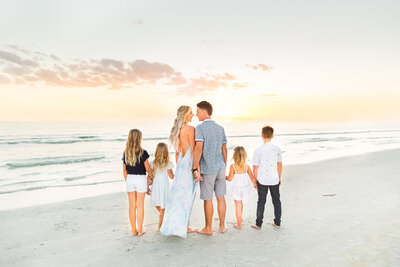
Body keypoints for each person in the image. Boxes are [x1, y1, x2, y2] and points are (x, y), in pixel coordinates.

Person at [160, 105, 198, 238]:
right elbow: (193, 150)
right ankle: (184, 226)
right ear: (185, 115)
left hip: (181, 164)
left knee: (178, 197)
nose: (193, 114)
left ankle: (177, 224)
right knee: (187, 197)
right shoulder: (190, 129)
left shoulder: (177, 130)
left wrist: (178, 168)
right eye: (191, 113)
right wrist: (196, 169)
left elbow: (177, 153)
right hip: (188, 164)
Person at [192, 101, 228, 235]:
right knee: (221, 197)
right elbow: (224, 149)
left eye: (197, 111)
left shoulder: (200, 128)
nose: (196, 114)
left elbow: (198, 149)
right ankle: (222, 226)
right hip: (221, 167)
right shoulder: (220, 128)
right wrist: (224, 164)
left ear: (203, 111)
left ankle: (208, 228)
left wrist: (194, 168)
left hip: (207, 169)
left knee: (208, 199)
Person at [251, 125, 283, 230]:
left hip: (262, 180)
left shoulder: (258, 150)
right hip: (274, 179)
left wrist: (254, 180)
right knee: (276, 201)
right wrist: (279, 178)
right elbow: (279, 165)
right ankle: (277, 222)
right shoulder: (277, 149)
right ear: (272, 136)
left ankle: (258, 224)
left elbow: (255, 167)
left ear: (262, 135)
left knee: (261, 202)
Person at [122, 129, 153, 236]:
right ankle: (140, 230)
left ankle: (133, 230)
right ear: (139, 138)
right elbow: (148, 168)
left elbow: (124, 170)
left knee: (131, 206)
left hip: (130, 179)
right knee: (140, 206)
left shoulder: (126, 153)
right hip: (140, 179)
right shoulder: (143, 153)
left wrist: (128, 180)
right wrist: (152, 177)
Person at [226, 146, 257, 229]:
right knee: (241, 204)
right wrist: (256, 185)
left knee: (237, 205)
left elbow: (229, 179)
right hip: (244, 189)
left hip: (236, 189)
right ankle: (240, 218)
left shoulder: (233, 167)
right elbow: (252, 177)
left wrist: (225, 177)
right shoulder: (247, 166)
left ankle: (239, 224)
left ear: (234, 156)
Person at [149, 143, 174, 231]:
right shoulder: (168, 163)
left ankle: (160, 225)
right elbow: (171, 176)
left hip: (156, 184)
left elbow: (150, 175)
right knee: (162, 205)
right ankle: (166, 216)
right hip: (163, 185)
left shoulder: (153, 163)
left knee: (159, 204)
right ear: (166, 152)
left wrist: (149, 182)